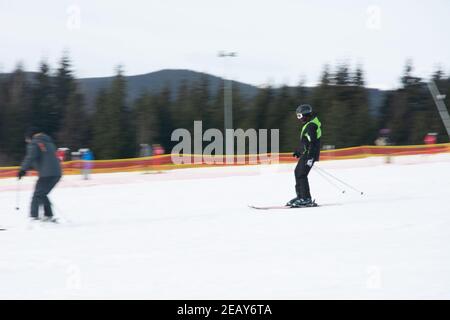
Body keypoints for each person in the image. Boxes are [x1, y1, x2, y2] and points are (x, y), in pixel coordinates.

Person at [18, 127, 62, 221]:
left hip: (47, 174)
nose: (27, 142)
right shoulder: (49, 143)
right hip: (56, 173)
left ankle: (34, 217)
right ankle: (48, 215)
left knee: (37, 194)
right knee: (42, 194)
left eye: (27, 139)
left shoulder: (34, 143)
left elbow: (30, 157)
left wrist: (22, 170)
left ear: (30, 137)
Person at [287, 104, 322, 207]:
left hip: (309, 155)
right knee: (298, 172)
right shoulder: (309, 124)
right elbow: (306, 142)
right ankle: (300, 196)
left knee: (301, 174)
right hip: (307, 154)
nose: (299, 118)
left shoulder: (311, 126)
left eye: (300, 116)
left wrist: (310, 157)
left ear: (306, 115)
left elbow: (313, 142)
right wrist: (298, 151)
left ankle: (306, 199)